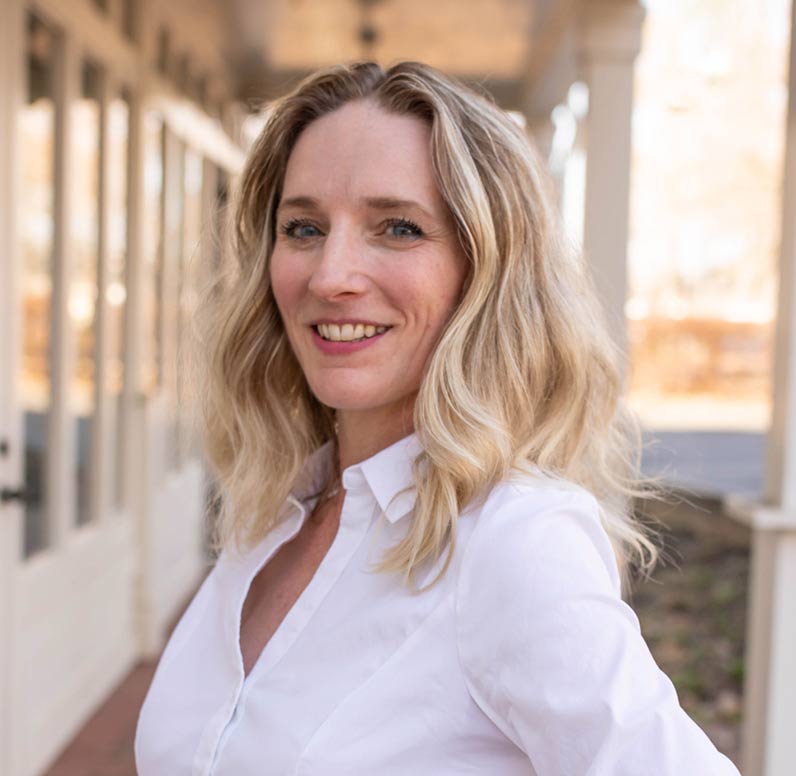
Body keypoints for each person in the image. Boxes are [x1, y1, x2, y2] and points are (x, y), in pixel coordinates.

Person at [134, 61, 741, 775]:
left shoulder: (512, 541)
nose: (331, 275)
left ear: (485, 271)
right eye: (303, 227)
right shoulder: (278, 509)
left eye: (397, 227)